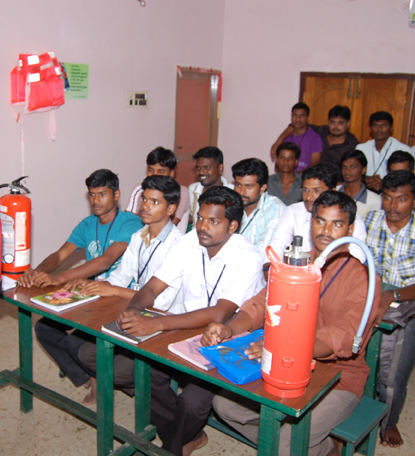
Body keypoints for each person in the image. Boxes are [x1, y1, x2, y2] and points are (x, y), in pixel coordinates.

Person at [206, 191, 382, 456]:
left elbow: (342, 337)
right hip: (282, 364)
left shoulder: (363, 278)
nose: (326, 231)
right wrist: (230, 328)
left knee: (285, 444)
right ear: (310, 223)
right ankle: (309, 445)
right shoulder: (293, 265)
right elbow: (261, 304)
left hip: (339, 377)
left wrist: (282, 347)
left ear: (350, 229)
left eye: (337, 224)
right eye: (320, 221)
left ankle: (310, 446)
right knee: (224, 406)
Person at [116, 186, 266, 456]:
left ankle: (173, 447)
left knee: (192, 401)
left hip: (228, 338)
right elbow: (153, 286)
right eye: (200, 218)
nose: (202, 227)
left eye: (214, 221)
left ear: (232, 226)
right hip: (186, 328)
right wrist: (135, 308)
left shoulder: (248, 257)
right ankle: (189, 437)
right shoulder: (189, 242)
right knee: (146, 374)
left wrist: (157, 324)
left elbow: (220, 314)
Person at [18, 169, 142, 389]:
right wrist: (37, 271)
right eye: (92, 194)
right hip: (91, 293)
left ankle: (102, 381)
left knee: (76, 341)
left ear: (116, 195)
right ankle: (85, 376)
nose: (95, 200)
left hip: (119, 297)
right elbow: (59, 255)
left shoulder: (130, 223)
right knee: (44, 329)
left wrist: (58, 277)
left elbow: (105, 261)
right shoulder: (87, 224)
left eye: (102, 194)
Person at [74, 175, 184, 404]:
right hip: (135, 308)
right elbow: (122, 275)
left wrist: (114, 291)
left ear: (170, 209)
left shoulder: (178, 245)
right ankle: (140, 385)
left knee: (115, 371)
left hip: (164, 320)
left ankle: (153, 391)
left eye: (154, 202)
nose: (145, 206)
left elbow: (163, 302)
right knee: (86, 353)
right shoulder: (139, 236)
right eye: (144, 199)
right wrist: (101, 285)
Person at [364, 170, 415, 448]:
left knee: (393, 377)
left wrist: (392, 294)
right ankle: (354, 413)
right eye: (388, 198)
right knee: (360, 367)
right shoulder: (370, 221)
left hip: (408, 311)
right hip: (368, 305)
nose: (393, 205)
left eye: (401, 199)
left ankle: (390, 421)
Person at [268, 164, 368, 264]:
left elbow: (357, 256)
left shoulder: (352, 220)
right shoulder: (293, 211)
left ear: (332, 191)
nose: (309, 197)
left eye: (316, 191)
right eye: (305, 190)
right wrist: (270, 265)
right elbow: (277, 245)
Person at [126, 146, 190, 234]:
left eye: (160, 172)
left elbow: (171, 224)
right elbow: (129, 221)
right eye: (151, 170)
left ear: (171, 173)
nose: (154, 175)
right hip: (142, 237)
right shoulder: (140, 189)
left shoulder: (181, 192)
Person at [231, 157, 286, 256]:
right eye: (238, 185)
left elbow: (263, 253)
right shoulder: (229, 204)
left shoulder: (275, 209)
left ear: (262, 188)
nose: (241, 192)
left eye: (249, 186)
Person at [356, 111, 413, 192]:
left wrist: (384, 183)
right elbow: (354, 173)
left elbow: (407, 178)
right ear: (371, 129)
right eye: (376, 125)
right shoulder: (361, 148)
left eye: (383, 125)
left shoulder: (403, 149)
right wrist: (367, 179)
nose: (379, 129)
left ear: (391, 128)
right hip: (365, 192)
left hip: (393, 193)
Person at [188, 146, 233, 229]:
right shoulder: (193, 189)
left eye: (207, 168)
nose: (201, 172)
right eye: (198, 168)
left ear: (220, 168)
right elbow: (190, 216)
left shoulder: (233, 192)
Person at [269, 102, 323, 171]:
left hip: (305, 176)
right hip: (285, 176)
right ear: (291, 116)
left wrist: (297, 175)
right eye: (295, 115)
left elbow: (315, 163)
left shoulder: (315, 138)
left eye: (302, 116)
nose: (298, 119)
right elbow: (278, 163)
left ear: (307, 118)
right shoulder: (285, 137)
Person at [339, 149, 382, 217]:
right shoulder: (334, 193)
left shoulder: (375, 200)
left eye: (353, 167)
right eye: (344, 167)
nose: (347, 171)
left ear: (363, 170)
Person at [267, 141, 303, 205]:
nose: (286, 162)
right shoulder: (267, 182)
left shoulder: (304, 182)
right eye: (282, 158)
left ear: (296, 162)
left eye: (290, 158)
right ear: (277, 160)